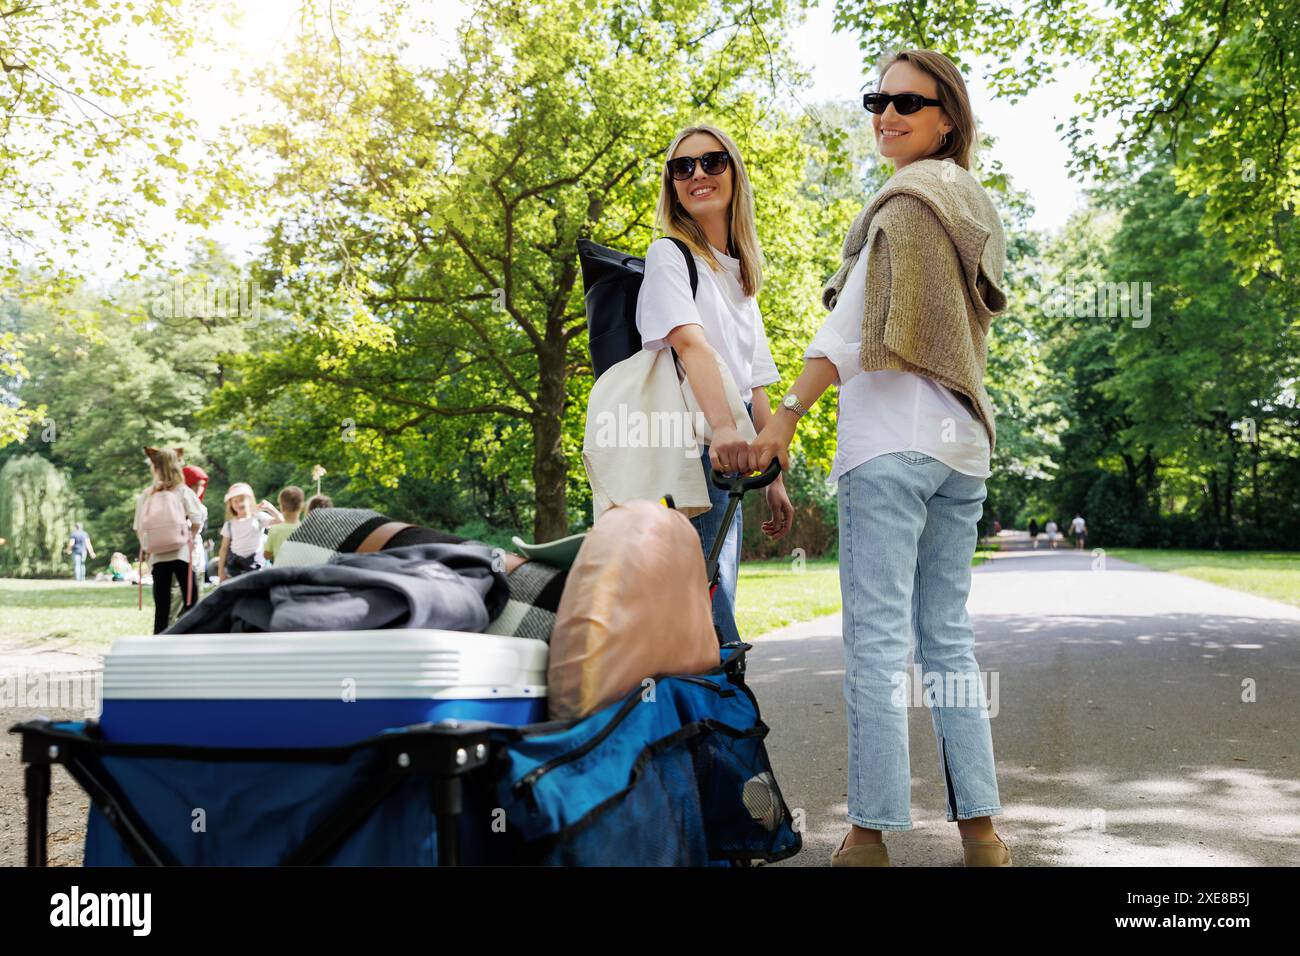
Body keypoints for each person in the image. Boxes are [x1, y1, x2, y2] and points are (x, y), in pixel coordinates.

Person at [748, 50, 1010, 866]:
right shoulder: (974, 207)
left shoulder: (902, 205)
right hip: (961, 449)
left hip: (890, 447)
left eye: (907, 101)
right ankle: (983, 834)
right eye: (877, 99)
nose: (887, 113)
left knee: (874, 642)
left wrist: (785, 416)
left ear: (946, 120)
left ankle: (867, 836)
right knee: (948, 641)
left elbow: (852, 333)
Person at [634, 123, 793, 645]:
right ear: (672, 185)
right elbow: (690, 345)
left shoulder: (741, 274)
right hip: (692, 450)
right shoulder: (669, 255)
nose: (697, 174)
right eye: (683, 167)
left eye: (711, 162)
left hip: (731, 457)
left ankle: (715, 719)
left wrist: (773, 477)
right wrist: (724, 428)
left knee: (713, 598)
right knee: (707, 611)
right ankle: (722, 721)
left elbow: (758, 382)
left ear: (734, 173)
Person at [134, 446, 205, 633]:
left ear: (154, 467)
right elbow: (197, 519)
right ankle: (192, 638)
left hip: (157, 555)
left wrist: (148, 546)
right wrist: (190, 536)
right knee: (192, 600)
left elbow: (138, 527)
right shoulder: (182, 491)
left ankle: (160, 642)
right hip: (182, 553)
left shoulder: (147, 494)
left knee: (162, 605)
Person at [218, 482, 278, 583]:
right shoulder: (229, 524)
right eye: (235, 501)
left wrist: (270, 508)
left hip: (257, 567)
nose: (239, 503)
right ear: (231, 505)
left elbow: (281, 521)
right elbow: (223, 549)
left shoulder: (258, 517)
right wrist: (221, 573)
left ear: (250, 501)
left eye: (242, 500)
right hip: (236, 568)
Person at [263, 485, 305, 565]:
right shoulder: (306, 529)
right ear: (302, 507)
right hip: (299, 572)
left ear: (282, 507)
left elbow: (266, 555)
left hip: (279, 573)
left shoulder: (275, 530)